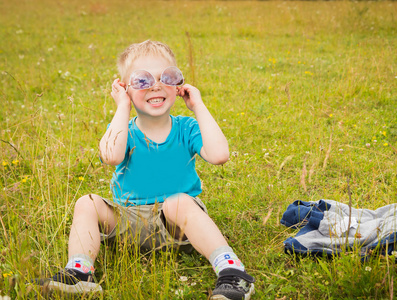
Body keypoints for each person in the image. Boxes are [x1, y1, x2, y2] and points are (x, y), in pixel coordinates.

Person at [35, 40, 255, 300]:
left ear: (178, 86)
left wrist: (198, 105)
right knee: (88, 202)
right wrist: (122, 107)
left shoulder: (187, 128)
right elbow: (110, 155)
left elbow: (219, 155)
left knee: (178, 203)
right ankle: (79, 272)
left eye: (167, 76)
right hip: (127, 223)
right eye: (142, 80)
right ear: (125, 89)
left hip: (176, 225)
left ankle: (231, 270)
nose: (156, 85)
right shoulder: (124, 130)